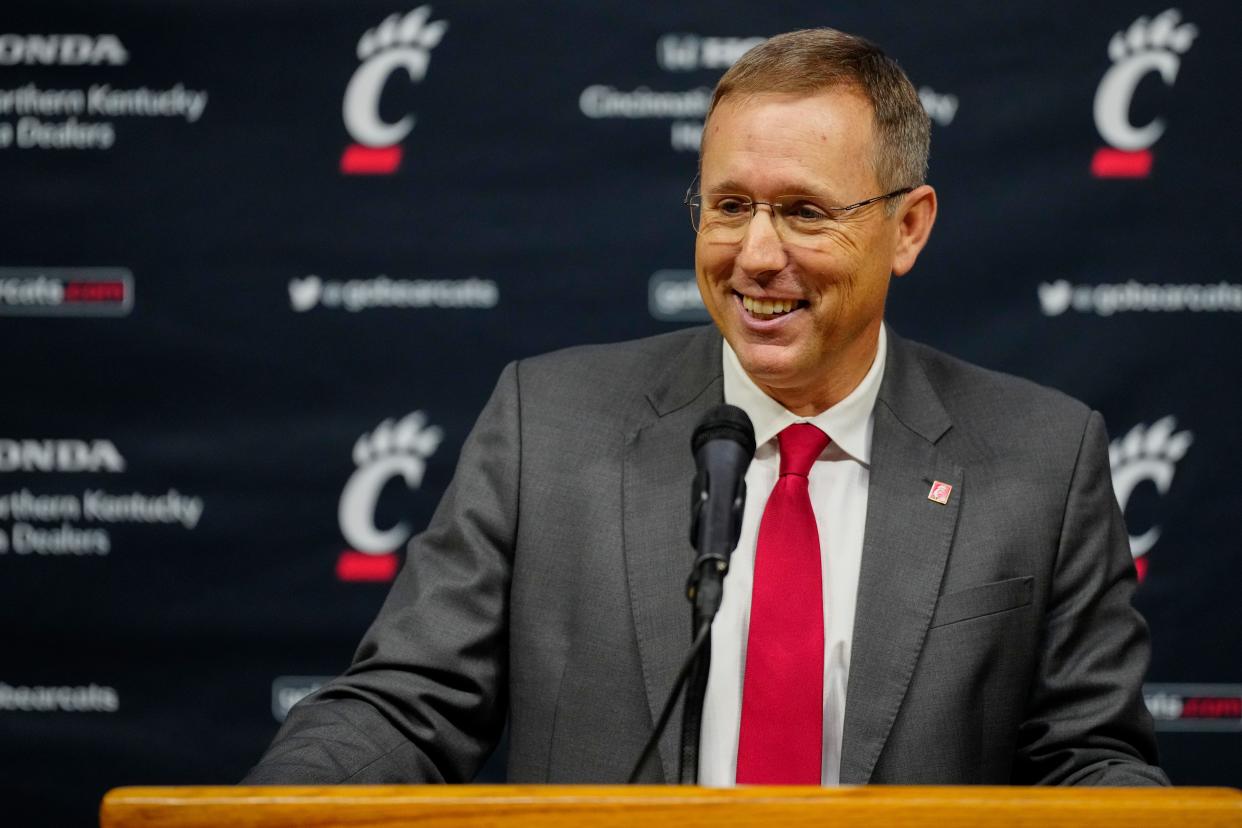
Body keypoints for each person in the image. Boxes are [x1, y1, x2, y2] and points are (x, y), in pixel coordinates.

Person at [245, 28, 1167, 786]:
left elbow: (1089, 759)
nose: (757, 255)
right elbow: (407, 706)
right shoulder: (546, 425)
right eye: (730, 205)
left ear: (908, 227)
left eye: (805, 212)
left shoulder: (1043, 459)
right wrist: (265, 807)